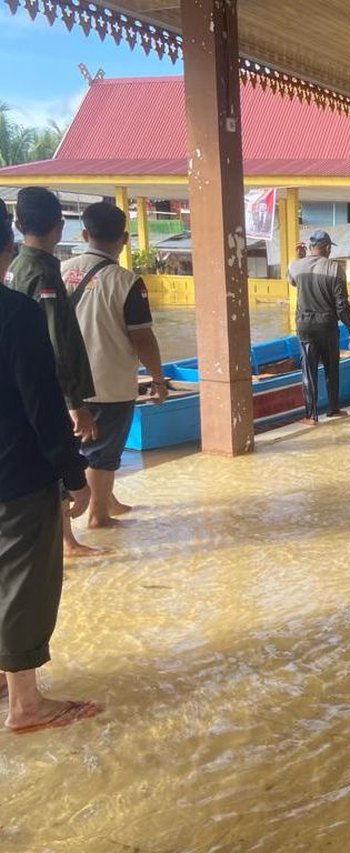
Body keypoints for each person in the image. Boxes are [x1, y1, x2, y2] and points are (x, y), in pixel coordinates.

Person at [0, 199, 101, 732]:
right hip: (16, 473)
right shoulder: (16, 313)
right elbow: (41, 405)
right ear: (8, 246)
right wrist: (72, 472)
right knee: (23, 582)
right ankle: (27, 705)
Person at [62, 201, 167, 528]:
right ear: (124, 238)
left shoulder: (58, 271)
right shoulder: (127, 281)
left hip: (66, 386)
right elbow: (143, 339)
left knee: (76, 448)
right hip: (108, 384)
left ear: (84, 233)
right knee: (103, 454)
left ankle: (105, 498)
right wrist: (158, 378)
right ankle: (98, 516)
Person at [6, 186, 98, 558]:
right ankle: (66, 540)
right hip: (52, 388)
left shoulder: (15, 268)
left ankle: (65, 538)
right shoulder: (41, 272)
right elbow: (56, 342)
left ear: (17, 223)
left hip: (25, 390)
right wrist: (74, 400)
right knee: (59, 455)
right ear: (61, 227)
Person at [288, 229, 350, 424]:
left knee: (308, 370)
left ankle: (310, 416)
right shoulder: (335, 269)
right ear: (327, 248)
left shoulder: (296, 266)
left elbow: (293, 282)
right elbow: (342, 305)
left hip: (304, 326)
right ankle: (333, 408)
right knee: (331, 368)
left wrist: (299, 258)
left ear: (310, 247)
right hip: (327, 326)